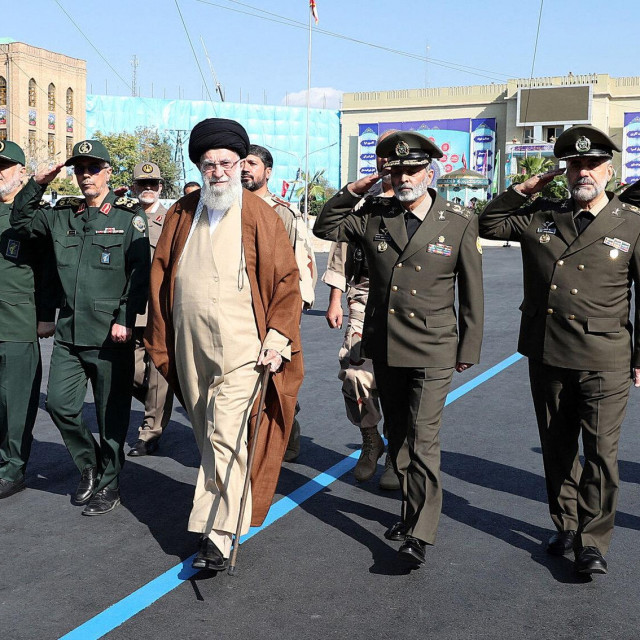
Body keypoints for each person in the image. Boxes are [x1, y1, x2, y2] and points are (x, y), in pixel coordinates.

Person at [314, 131, 484, 568]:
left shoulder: (458, 219)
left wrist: (469, 345)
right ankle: (410, 514)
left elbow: (472, 291)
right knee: (400, 435)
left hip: (434, 345)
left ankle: (419, 535)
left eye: (412, 169)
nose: (405, 176)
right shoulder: (373, 215)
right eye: (397, 169)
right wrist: (356, 189)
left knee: (424, 439)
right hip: (385, 344)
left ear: (430, 171)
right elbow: (325, 225)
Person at [479, 124, 640, 576]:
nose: (583, 172)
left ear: (609, 169)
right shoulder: (540, 216)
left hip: (605, 356)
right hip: (547, 352)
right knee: (557, 446)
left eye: (592, 164)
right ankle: (566, 524)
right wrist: (526, 187)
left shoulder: (631, 222)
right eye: (574, 165)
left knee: (602, 453)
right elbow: (488, 223)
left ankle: (593, 541)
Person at [144, 118, 304, 571]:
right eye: (209, 163)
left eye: (226, 163)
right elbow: (160, 274)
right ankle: (228, 508)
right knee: (206, 434)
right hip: (189, 346)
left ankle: (217, 534)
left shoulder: (259, 214)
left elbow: (287, 282)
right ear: (199, 166)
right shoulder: (182, 211)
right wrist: (160, 336)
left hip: (242, 348)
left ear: (240, 165)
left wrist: (277, 338)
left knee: (225, 433)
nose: (217, 171)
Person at [11, 139, 150, 515]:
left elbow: (139, 275)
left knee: (111, 416)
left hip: (110, 335)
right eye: (79, 169)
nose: (85, 175)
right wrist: (37, 183)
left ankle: (109, 484)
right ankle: (90, 465)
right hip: (71, 333)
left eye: (92, 168)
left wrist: (125, 320)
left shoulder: (127, 218)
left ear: (107, 172)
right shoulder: (62, 215)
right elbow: (20, 221)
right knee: (59, 405)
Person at [322, 130, 399, 489]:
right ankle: (371, 440)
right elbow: (339, 250)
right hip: (363, 297)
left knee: (400, 381)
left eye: (393, 154)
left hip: (406, 302)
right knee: (354, 375)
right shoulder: (361, 204)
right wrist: (336, 299)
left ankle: (400, 454)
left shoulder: (422, 202)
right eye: (381, 153)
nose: (386, 160)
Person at [241, 143, 317, 462]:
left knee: (277, 376)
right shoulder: (227, 208)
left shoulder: (283, 212)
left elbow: (302, 266)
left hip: (276, 310)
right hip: (241, 309)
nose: (245, 168)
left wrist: (289, 317)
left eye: (253, 164)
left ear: (267, 173)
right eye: (242, 163)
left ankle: (288, 424)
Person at [0, 141, 57, 498]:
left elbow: (49, 269)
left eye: (4, 167)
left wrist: (45, 315)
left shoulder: (33, 216)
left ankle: (12, 468)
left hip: (18, 320)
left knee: (15, 400)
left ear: (22, 173)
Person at [127, 162, 174, 456]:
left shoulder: (172, 220)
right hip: (128, 307)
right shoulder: (123, 218)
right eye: (142, 184)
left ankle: (150, 432)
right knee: (130, 370)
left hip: (159, 307)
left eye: (152, 184)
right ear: (133, 187)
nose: (147, 189)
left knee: (157, 370)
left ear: (160, 188)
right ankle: (158, 402)